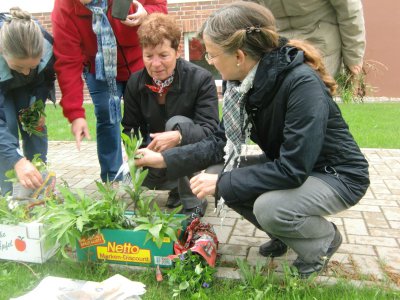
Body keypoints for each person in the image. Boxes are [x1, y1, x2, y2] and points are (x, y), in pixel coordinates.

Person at [134, 2, 370, 278]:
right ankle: (286, 235)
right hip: (295, 167)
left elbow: (292, 169)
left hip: (337, 174)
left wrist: (223, 181)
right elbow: (219, 144)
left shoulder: (301, 84)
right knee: (225, 177)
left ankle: (322, 242)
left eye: (211, 55)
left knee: (265, 205)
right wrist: (163, 159)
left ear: (239, 55)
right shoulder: (243, 84)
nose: (209, 62)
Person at [51, 0, 167, 183]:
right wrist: (75, 113)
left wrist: (148, 15)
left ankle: (150, 172)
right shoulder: (64, 7)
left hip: (137, 61)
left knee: (147, 117)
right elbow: (67, 61)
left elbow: (159, 6)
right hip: (99, 69)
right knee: (106, 118)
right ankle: (112, 177)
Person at [122, 13, 219, 217]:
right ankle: (177, 188)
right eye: (149, 56)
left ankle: (193, 199)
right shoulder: (135, 82)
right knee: (141, 174)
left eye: (163, 55)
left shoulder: (201, 79)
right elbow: (130, 127)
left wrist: (179, 135)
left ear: (177, 51)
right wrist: (136, 152)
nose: (155, 64)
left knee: (177, 123)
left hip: (197, 155)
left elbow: (211, 130)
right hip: (156, 156)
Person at [0, 7, 55, 195]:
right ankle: (8, 195)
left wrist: (37, 104)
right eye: (19, 66)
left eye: (31, 66)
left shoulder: (46, 44)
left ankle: (38, 185)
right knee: (7, 128)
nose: (25, 72)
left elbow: (45, 79)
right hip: (2, 88)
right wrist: (17, 160)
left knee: (35, 126)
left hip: (28, 89)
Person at [252, 0, 366, 77]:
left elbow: (349, 10)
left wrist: (353, 57)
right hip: (277, 39)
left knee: (313, 93)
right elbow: (249, 11)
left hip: (320, 38)